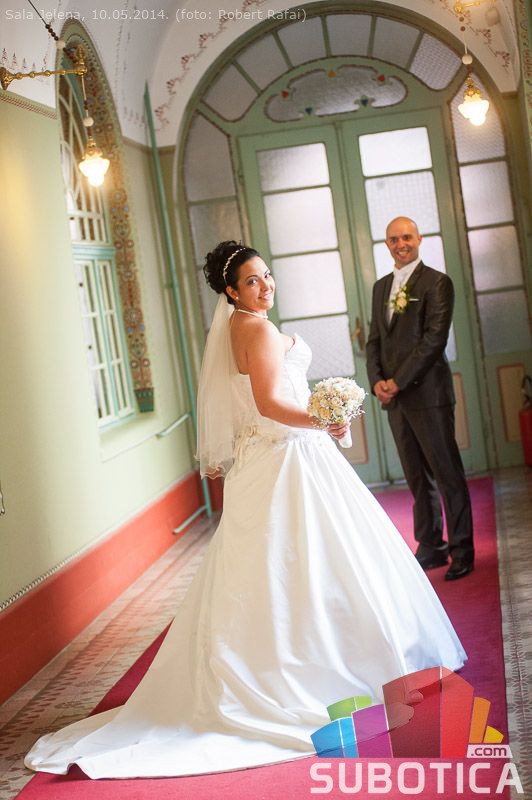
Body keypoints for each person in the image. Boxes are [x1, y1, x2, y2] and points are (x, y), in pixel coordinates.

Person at [25, 240, 466, 779]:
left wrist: (318, 416)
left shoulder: (240, 325)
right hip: (286, 458)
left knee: (285, 570)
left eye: (267, 275)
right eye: (252, 281)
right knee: (308, 565)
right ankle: (328, 675)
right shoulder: (255, 330)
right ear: (231, 292)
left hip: (271, 458)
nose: (265, 286)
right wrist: (322, 420)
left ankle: (287, 666)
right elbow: (269, 404)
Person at [366, 217, 475, 581]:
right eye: (394, 239)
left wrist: (397, 381)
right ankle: (430, 544)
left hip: (429, 395)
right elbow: (374, 340)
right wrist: (377, 382)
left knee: (447, 474)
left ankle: (462, 550)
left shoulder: (437, 282)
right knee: (416, 477)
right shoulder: (381, 287)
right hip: (395, 400)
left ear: (419, 239)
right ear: (387, 244)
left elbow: (433, 340)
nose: (401, 244)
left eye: (407, 237)